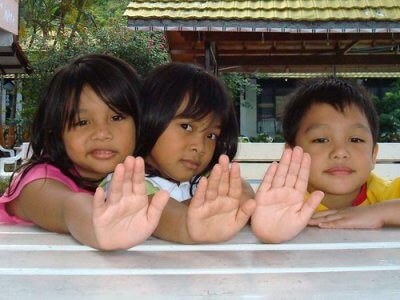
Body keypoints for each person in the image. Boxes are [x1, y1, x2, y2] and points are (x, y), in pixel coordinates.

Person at [0, 54, 169, 250]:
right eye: (82, 122)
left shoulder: (138, 177)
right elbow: (69, 208)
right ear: (56, 130)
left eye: (116, 117)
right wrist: (98, 226)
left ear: (140, 122)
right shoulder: (39, 181)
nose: (102, 133)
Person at [102, 62, 257, 243]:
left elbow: (243, 195)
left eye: (212, 135)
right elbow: (161, 215)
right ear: (150, 117)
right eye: (186, 126)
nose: (199, 147)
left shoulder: (202, 180)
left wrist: (242, 196)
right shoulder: (126, 183)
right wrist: (207, 214)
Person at [281, 77, 400, 230]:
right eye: (321, 140)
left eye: (355, 139)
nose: (340, 152)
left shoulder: (388, 193)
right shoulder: (283, 201)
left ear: (373, 155)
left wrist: (382, 212)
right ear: (291, 155)